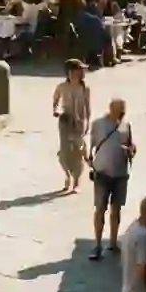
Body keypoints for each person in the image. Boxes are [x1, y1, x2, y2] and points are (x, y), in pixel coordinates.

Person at [87, 99, 136, 261]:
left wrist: (130, 150)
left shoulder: (125, 126)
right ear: (111, 109)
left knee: (116, 209)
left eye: (123, 110)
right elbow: (91, 146)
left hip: (120, 173)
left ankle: (113, 242)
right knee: (100, 208)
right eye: (119, 110)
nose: (121, 113)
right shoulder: (98, 124)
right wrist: (89, 159)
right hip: (102, 172)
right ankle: (97, 244)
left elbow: (131, 146)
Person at [50, 60, 91, 195]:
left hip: (79, 123)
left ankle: (77, 181)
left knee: (78, 151)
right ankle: (67, 175)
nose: (81, 73)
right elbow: (55, 100)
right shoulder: (62, 86)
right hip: (65, 122)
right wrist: (56, 110)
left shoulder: (85, 88)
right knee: (65, 152)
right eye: (78, 70)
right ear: (70, 72)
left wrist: (87, 122)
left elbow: (87, 106)